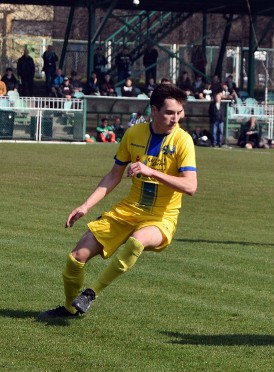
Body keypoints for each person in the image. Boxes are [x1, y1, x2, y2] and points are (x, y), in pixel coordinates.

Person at [38, 83, 197, 320]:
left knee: (136, 241)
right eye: (169, 113)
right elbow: (114, 175)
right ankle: (70, 308)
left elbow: (190, 186)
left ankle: (91, 294)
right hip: (128, 210)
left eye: (179, 113)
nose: (176, 119)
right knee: (76, 257)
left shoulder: (183, 141)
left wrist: (152, 172)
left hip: (161, 217)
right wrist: (85, 205)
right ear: (153, 110)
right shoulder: (134, 135)